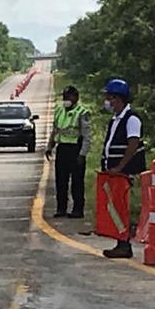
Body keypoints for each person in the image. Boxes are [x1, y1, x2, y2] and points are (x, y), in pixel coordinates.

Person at [100, 78, 147, 258]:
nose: (107, 102)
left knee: (123, 208)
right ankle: (121, 242)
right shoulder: (115, 120)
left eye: (110, 97)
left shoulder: (131, 119)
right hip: (114, 173)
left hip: (126, 173)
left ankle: (124, 244)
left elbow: (132, 144)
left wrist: (120, 167)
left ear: (118, 98)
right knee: (117, 208)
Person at [47, 85, 91, 218]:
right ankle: (61, 208)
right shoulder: (59, 110)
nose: (66, 99)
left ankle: (78, 209)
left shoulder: (82, 112)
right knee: (61, 181)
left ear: (76, 98)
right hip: (62, 149)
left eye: (69, 97)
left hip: (76, 150)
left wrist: (82, 154)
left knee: (77, 182)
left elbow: (87, 136)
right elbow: (55, 130)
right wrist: (50, 146)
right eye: (64, 97)